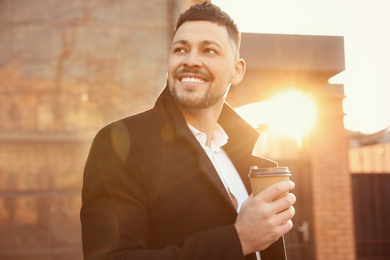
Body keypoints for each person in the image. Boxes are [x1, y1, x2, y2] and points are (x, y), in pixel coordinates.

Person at [80, 1, 296, 260]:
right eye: (180, 49)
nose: (191, 61)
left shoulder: (246, 160)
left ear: (237, 71)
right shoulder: (120, 143)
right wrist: (238, 240)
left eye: (209, 51)